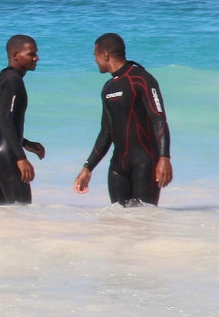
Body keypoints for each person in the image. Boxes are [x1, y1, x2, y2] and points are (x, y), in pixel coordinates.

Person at [74, 33, 173, 206]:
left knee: (143, 220)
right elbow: (106, 131)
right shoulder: (108, 87)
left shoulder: (142, 79)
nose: (95, 60)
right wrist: (88, 167)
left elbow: (159, 118)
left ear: (105, 54)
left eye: (95, 56)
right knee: (119, 222)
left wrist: (164, 158)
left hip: (144, 164)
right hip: (117, 168)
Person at [0, 34, 46, 205]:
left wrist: (24, 142)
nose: (36, 58)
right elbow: (5, 121)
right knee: (22, 215)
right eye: (31, 54)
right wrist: (20, 157)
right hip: (6, 155)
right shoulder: (14, 81)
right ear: (16, 55)